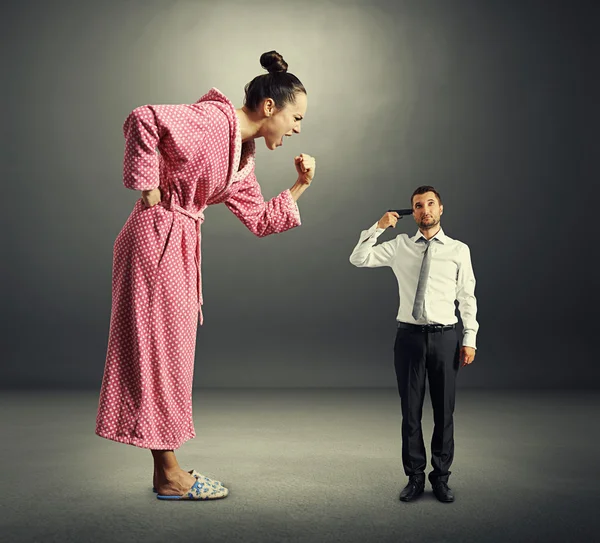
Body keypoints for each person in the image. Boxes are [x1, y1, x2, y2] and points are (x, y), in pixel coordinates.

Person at [95, 51, 316, 501]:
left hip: (176, 243)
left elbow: (260, 220)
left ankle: (166, 471)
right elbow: (143, 119)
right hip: (156, 235)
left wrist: (300, 187)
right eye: (296, 117)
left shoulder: (242, 154)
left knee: (170, 355)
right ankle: (171, 474)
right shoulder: (215, 122)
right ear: (270, 106)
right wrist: (150, 186)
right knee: (158, 353)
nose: (297, 129)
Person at [349, 186, 478, 503]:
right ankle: (415, 478)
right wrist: (378, 228)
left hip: (446, 337)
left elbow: (467, 297)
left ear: (441, 209)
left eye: (430, 204)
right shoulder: (399, 246)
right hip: (409, 338)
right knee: (411, 413)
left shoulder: (458, 250)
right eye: (418, 206)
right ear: (413, 213)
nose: (425, 210)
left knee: (444, 414)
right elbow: (358, 258)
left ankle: (442, 477)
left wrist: (469, 337)